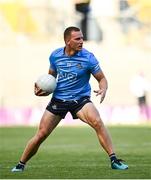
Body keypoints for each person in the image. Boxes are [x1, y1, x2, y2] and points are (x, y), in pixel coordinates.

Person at [11, 26, 128, 172]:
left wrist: (103, 88)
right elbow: (50, 80)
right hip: (59, 99)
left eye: (82, 38)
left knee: (97, 121)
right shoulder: (55, 56)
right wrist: (43, 91)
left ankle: (114, 160)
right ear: (68, 41)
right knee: (41, 134)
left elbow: (102, 78)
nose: (81, 41)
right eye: (77, 38)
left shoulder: (88, 58)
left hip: (80, 99)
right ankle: (21, 164)